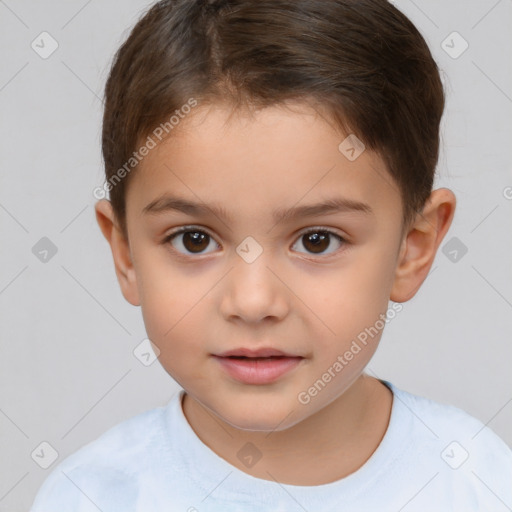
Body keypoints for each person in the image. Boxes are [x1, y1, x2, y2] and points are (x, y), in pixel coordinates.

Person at [31, 0, 512, 510]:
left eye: (317, 240)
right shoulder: (89, 497)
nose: (254, 301)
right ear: (125, 252)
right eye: (194, 239)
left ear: (411, 251)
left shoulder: (480, 484)